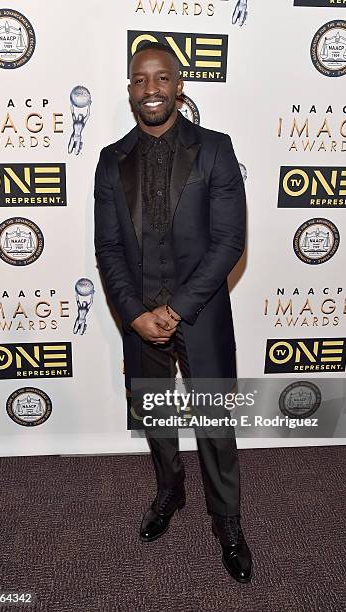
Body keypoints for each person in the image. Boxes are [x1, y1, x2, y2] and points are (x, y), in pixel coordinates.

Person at [94, 41, 251, 583]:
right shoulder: (111, 159)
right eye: (141, 79)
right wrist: (135, 314)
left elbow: (229, 242)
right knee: (157, 419)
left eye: (162, 78)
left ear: (179, 86)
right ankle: (169, 494)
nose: (152, 89)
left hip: (202, 312)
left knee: (213, 423)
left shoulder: (216, 149)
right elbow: (109, 249)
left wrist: (178, 309)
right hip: (138, 316)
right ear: (131, 89)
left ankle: (227, 521)